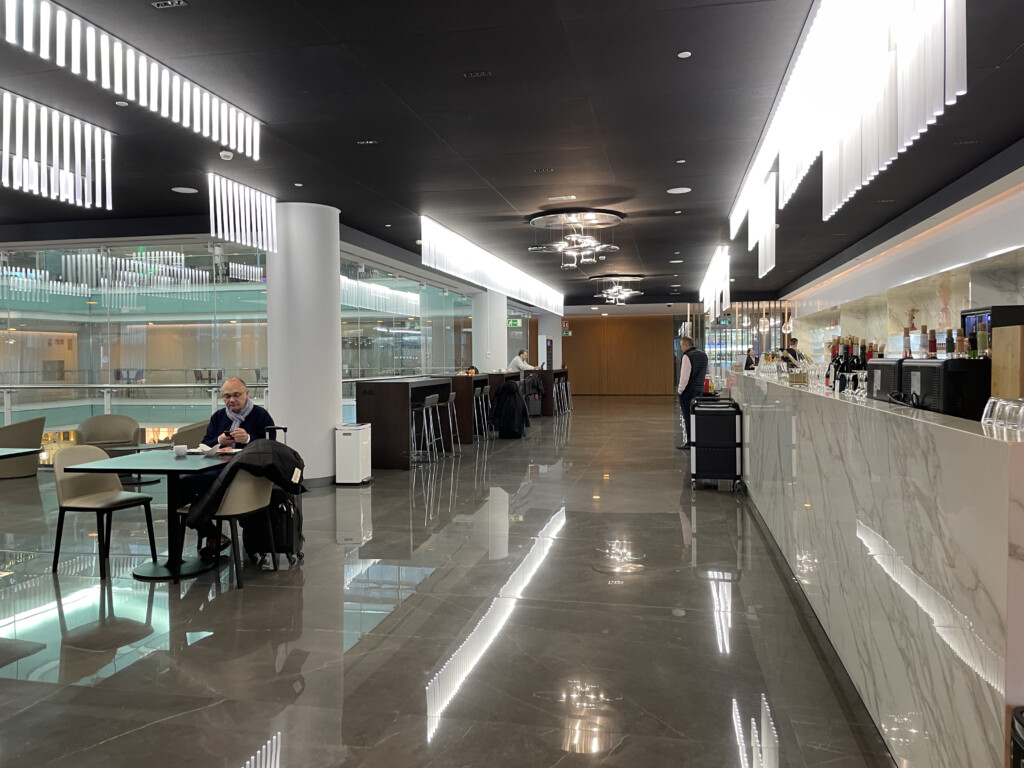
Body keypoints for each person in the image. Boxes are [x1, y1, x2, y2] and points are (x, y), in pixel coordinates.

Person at [186, 376, 275, 559]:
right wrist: (219, 440)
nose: (231, 400)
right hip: (216, 468)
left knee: (187, 488)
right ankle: (213, 534)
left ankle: (212, 535)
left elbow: (271, 447)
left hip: (244, 475)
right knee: (182, 486)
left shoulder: (261, 416)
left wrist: (249, 439)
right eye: (226, 396)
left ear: (247, 394)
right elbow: (205, 445)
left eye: (236, 395)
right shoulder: (219, 417)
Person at [676, 336, 708, 450]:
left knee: (688, 416)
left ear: (685, 345)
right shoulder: (703, 355)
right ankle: (697, 439)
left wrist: (680, 391)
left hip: (688, 391)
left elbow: (684, 377)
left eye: (681, 346)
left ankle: (690, 441)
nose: (681, 348)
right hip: (699, 390)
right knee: (696, 416)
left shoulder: (687, 356)